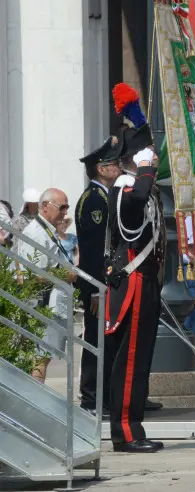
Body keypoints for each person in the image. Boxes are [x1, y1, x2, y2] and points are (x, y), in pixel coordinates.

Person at [104, 117, 166, 453]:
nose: (154, 158)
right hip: (134, 282)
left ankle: (133, 428)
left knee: (139, 359)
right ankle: (125, 433)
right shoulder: (126, 186)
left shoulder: (139, 185)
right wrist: (143, 171)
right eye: (148, 154)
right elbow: (130, 217)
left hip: (147, 280)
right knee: (129, 360)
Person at [76, 135, 123, 414]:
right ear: (101, 169)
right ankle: (91, 399)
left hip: (106, 282)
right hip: (97, 283)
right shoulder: (94, 200)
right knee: (95, 339)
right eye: (113, 163)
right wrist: (95, 288)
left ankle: (106, 397)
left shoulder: (106, 196)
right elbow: (93, 250)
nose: (118, 167)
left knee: (109, 340)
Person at [15, 188, 75, 382]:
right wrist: (65, 275)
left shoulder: (45, 229)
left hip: (49, 303)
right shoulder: (37, 233)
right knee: (40, 358)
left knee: (41, 358)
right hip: (42, 305)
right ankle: (34, 403)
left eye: (67, 207)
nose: (65, 212)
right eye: (62, 207)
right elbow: (32, 276)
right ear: (45, 206)